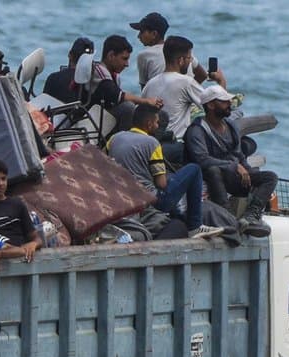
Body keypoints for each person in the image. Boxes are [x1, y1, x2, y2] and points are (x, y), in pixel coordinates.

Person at [106, 104, 222, 239]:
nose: (157, 126)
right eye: (156, 122)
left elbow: (105, 162)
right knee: (193, 169)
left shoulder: (114, 138)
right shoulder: (152, 143)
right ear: (149, 124)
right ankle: (195, 226)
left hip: (121, 195)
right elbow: (161, 184)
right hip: (151, 200)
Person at [183, 85, 276, 237]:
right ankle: (227, 217)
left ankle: (251, 216)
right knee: (213, 170)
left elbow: (238, 155)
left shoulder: (230, 126)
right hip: (215, 178)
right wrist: (233, 166)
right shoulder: (197, 130)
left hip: (234, 177)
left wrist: (247, 171)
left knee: (270, 177)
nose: (229, 104)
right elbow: (202, 160)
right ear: (211, 105)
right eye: (224, 101)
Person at [141, 36, 226, 142]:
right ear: (180, 60)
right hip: (179, 143)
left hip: (153, 142)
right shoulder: (185, 82)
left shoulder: (150, 84)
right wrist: (221, 81)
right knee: (236, 117)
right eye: (189, 58)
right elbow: (217, 107)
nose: (190, 62)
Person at [83, 35, 162, 114]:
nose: (127, 64)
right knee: (128, 107)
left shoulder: (115, 77)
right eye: (124, 59)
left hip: (103, 116)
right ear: (111, 55)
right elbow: (118, 95)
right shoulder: (98, 71)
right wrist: (146, 101)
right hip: (89, 118)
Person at [131, 12, 209, 89]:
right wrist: (189, 90)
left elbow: (145, 90)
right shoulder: (180, 49)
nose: (138, 36)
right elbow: (202, 75)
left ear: (154, 34)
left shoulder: (144, 55)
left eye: (141, 32)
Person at [42, 37, 93, 102]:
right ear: (90, 60)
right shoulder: (92, 83)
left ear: (70, 55)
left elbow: (42, 105)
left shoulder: (53, 79)